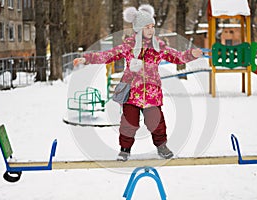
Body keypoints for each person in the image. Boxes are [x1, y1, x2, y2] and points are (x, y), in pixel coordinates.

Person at [73, 4, 202, 161]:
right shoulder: (128, 46)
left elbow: (178, 56)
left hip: (152, 93)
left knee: (156, 122)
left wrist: (191, 54)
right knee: (129, 123)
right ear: (138, 29)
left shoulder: (158, 47)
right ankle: (125, 150)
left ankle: (161, 146)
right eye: (147, 27)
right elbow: (108, 55)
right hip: (131, 92)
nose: (151, 30)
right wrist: (86, 58)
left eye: (152, 26)